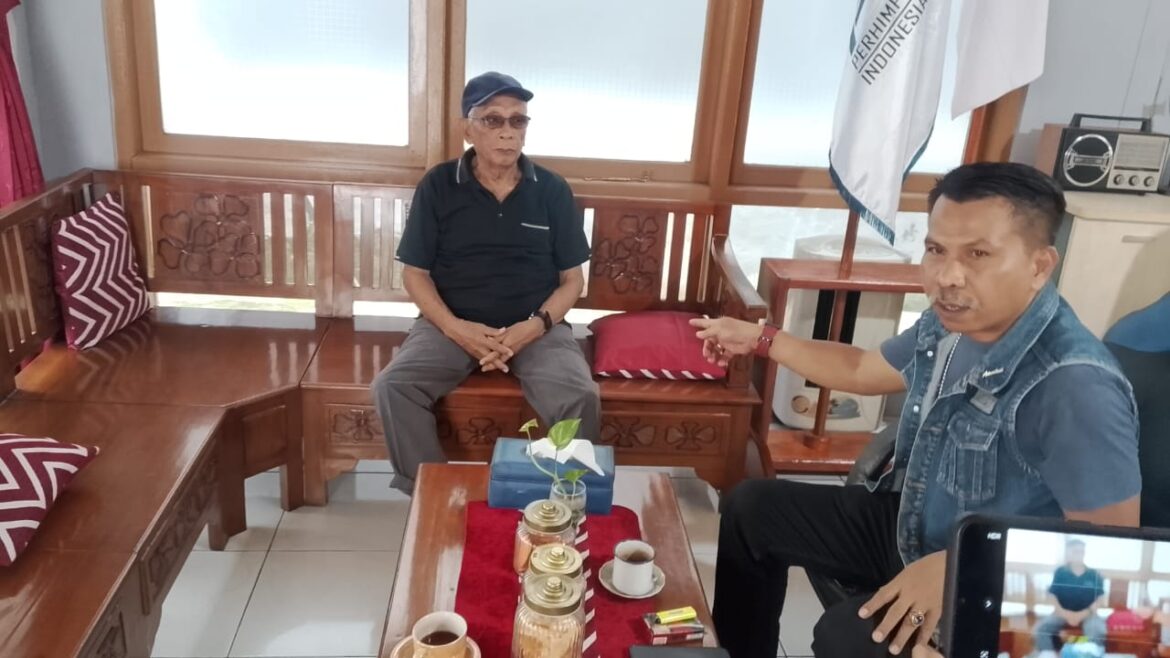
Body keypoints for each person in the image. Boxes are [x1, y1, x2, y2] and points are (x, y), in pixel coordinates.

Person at [692, 162, 1141, 657]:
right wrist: (760, 339)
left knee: (845, 635)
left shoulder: (1073, 385)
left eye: (978, 254)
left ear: (1039, 266)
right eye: (936, 250)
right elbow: (862, 368)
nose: (947, 276)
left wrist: (962, 566)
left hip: (994, 584)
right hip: (918, 529)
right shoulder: (952, 323)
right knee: (753, 509)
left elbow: (1109, 556)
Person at [371, 71, 600, 494]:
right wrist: (456, 328)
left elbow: (572, 280)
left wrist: (535, 326)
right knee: (394, 386)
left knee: (580, 394)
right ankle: (430, 494)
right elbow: (414, 273)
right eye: (493, 120)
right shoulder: (439, 185)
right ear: (468, 129)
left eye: (518, 120)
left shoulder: (551, 189)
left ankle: (561, 499)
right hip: (452, 324)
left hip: (534, 327)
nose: (507, 132)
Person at [1033, 539, 1107, 651]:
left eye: (1081, 551)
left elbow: (1100, 598)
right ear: (1068, 553)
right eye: (1075, 551)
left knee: (1097, 630)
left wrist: (1082, 614)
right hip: (1062, 613)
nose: (1079, 554)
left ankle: (1087, 654)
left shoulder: (1094, 574)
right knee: (1042, 629)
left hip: (1089, 614)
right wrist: (1065, 614)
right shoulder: (1060, 572)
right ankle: (1048, 654)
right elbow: (1052, 595)